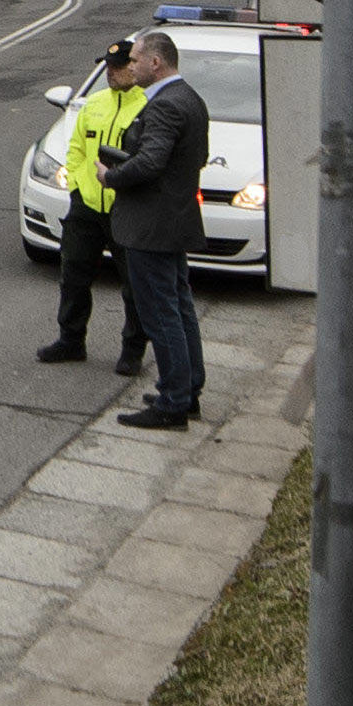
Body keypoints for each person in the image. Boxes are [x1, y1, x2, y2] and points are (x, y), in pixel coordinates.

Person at [94, 31, 211, 428]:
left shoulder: (164, 107)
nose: (132, 66)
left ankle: (173, 402)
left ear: (156, 63)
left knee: (161, 313)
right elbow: (195, 157)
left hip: (150, 226)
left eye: (137, 60)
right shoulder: (190, 99)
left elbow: (150, 163)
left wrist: (112, 176)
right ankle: (188, 388)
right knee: (179, 308)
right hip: (173, 219)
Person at [37, 41, 157, 375]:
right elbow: (76, 149)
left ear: (134, 67)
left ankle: (132, 351)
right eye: (108, 66)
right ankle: (71, 340)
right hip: (87, 206)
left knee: (134, 285)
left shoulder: (147, 107)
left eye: (117, 66)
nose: (111, 72)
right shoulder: (95, 104)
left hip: (126, 209)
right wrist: (77, 186)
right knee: (73, 276)